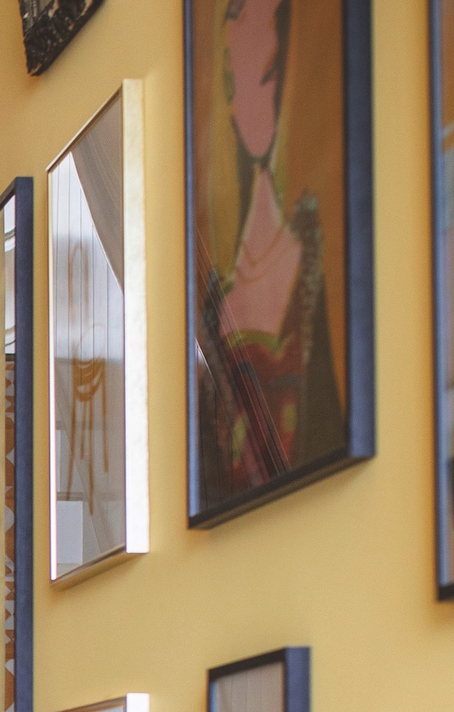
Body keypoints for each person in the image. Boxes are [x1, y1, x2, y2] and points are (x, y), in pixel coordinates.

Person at [194, 0, 347, 507]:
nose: (259, 92)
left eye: (270, 69)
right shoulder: (214, 299)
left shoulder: (313, 252)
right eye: (239, 78)